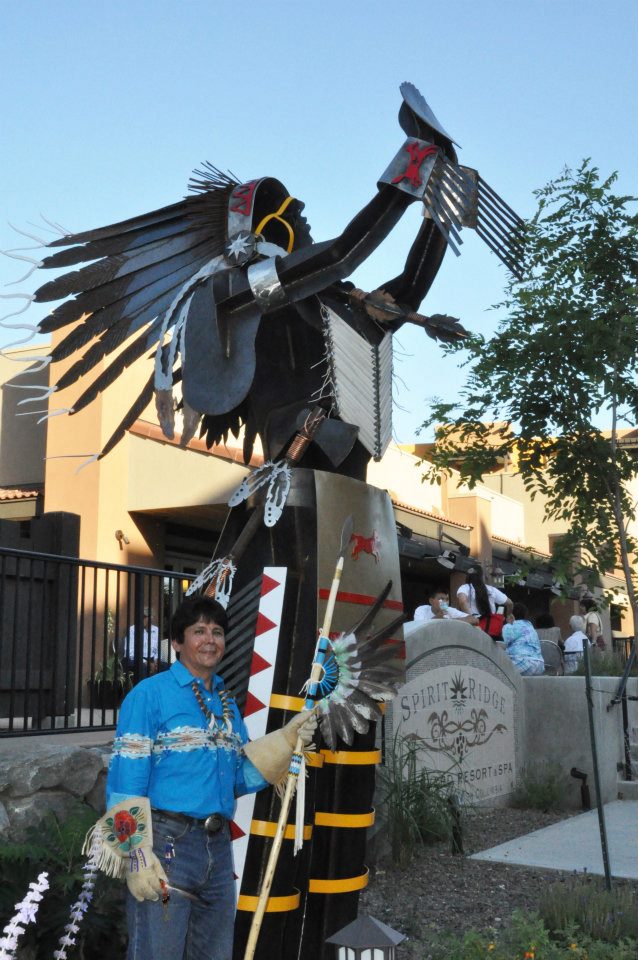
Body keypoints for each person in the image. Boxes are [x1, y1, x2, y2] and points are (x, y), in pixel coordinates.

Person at [92, 595, 317, 960]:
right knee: (157, 951)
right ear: (177, 642)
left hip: (216, 851)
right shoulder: (148, 696)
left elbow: (238, 779)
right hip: (166, 850)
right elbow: (124, 783)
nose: (210, 639)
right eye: (198, 631)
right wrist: (135, 856)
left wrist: (286, 740)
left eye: (217, 631)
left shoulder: (224, 702)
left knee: (214, 953)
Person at [502, 602, 545, 676]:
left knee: (498, 667)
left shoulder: (511, 626)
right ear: (525, 614)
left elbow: (504, 641)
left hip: (523, 663)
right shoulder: (530, 626)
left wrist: (508, 623)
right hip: (539, 664)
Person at [121, 607, 160, 678]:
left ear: (152, 618)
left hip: (151, 659)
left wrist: (156, 660)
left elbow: (157, 649)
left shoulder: (156, 630)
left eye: (147, 617)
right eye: (143, 617)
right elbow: (130, 652)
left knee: (166, 666)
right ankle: (144, 688)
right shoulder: (132, 630)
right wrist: (146, 662)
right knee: (143, 668)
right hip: (135, 659)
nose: (145, 619)